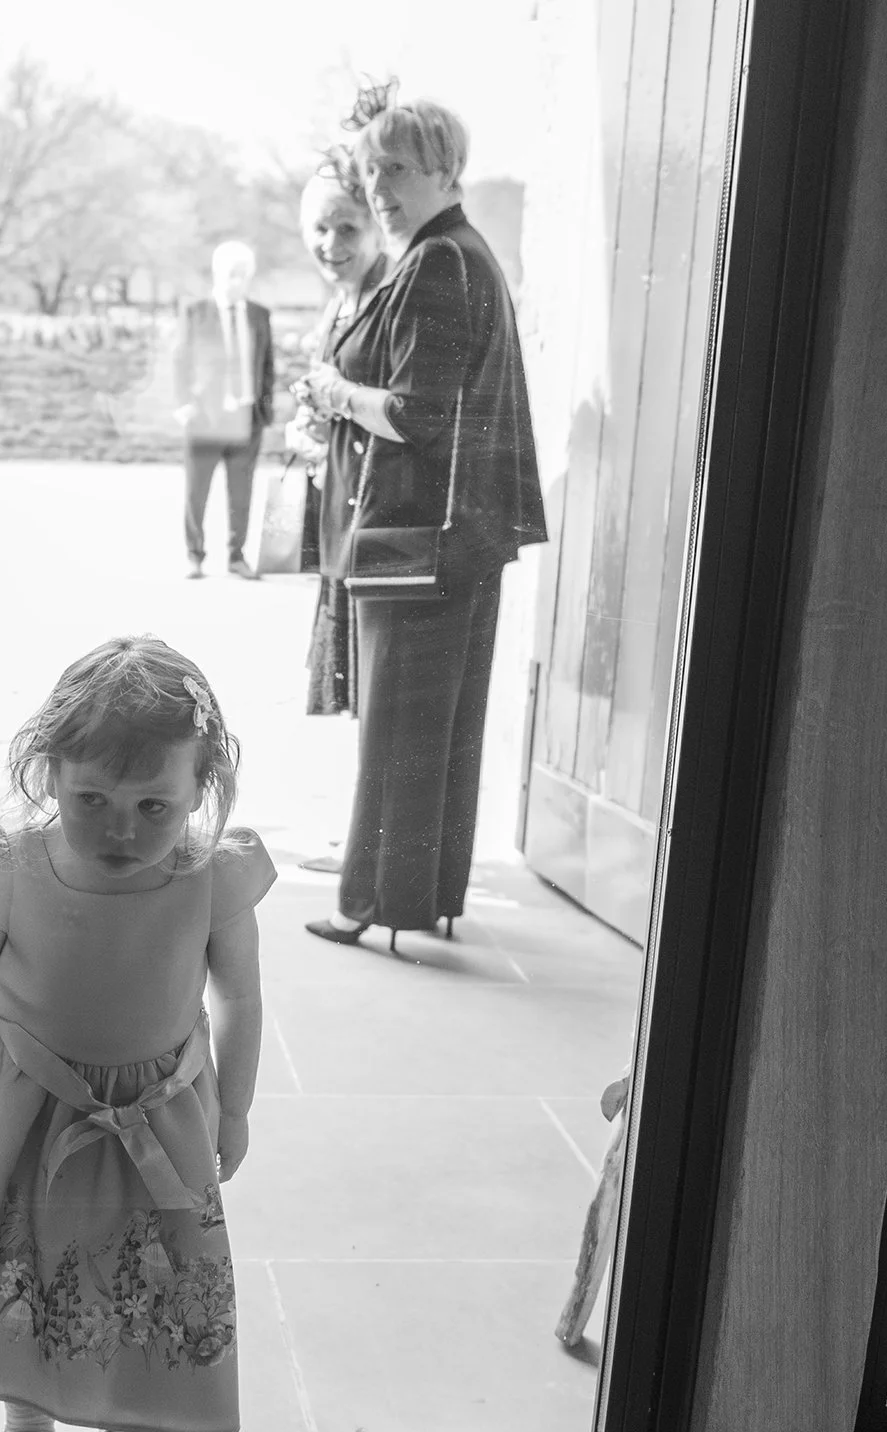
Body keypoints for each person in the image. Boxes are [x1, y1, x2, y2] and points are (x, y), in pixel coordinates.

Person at [0, 637, 273, 1432]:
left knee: (149, 1270)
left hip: (160, 1114)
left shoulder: (213, 877)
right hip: (33, 1109)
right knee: (30, 1262)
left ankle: (136, 1421)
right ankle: (26, 1429)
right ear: (47, 771)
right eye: (92, 798)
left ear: (199, 788)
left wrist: (234, 1111)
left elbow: (240, 1001)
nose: (121, 828)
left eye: (154, 806)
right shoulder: (9, 868)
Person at [300, 95, 544, 948]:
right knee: (437, 734)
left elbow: (415, 414)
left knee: (401, 731)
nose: (378, 189)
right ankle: (421, 897)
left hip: (420, 536)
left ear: (445, 167)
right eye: (370, 172)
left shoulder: (438, 262)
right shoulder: (461, 253)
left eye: (396, 170)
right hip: (456, 536)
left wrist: (334, 393)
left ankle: (365, 904)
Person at [287, 166, 389, 719]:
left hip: (369, 519)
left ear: (375, 227)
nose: (330, 245)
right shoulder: (340, 301)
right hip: (339, 514)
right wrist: (309, 427)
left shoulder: (383, 296)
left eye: (347, 229)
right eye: (320, 229)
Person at [174, 241, 276, 580]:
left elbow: (268, 365)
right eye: (232, 274)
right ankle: (194, 556)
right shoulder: (195, 312)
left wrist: (266, 410)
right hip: (204, 418)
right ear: (217, 274)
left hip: (246, 419)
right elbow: (181, 362)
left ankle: (236, 557)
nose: (238, 281)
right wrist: (184, 404)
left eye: (244, 275)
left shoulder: (260, 315)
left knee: (242, 494)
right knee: (196, 493)